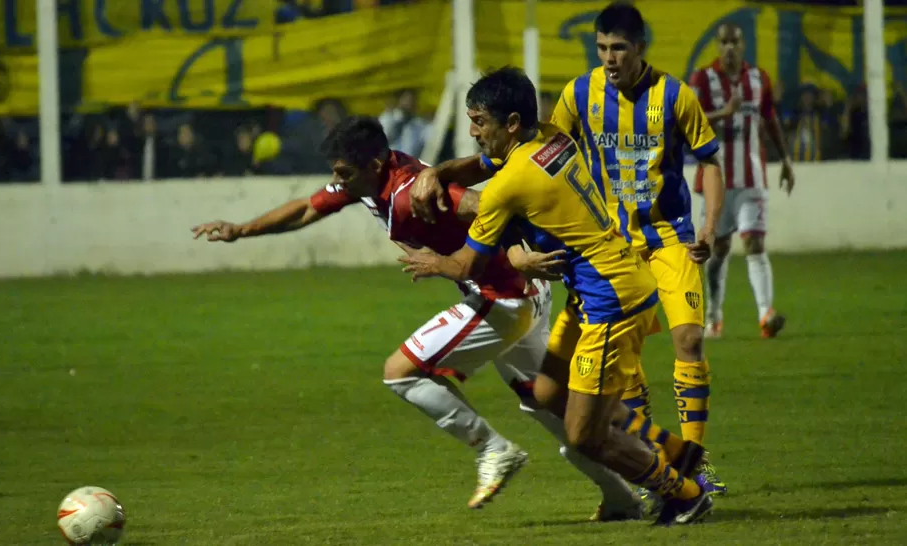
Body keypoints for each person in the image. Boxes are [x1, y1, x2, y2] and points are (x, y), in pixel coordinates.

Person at [190, 115, 645, 516]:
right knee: (552, 410)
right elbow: (308, 207)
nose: (338, 183)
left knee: (401, 372)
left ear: (373, 166)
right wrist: (240, 230)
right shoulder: (366, 180)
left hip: (501, 297)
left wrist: (519, 250)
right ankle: (629, 493)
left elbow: (483, 204)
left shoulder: (413, 190)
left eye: (344, 174)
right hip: (522, 295)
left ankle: (493, 449)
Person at [398, 66, 713, 526]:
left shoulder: (510, 184)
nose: (472, 131)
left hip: (611, 301)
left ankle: (682, 494)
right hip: (600, 284)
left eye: (479, 121)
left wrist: (432, 261)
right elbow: (484, 165)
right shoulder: (549, 136)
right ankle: (667, 446)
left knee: (583, 435)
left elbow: (467, 265)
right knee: (546, 391)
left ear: (509, 124)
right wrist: (442, 171)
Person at [545, 2, 728, 496]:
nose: (609, 57)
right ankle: (655, 466)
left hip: (670, 239)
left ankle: (695, 465)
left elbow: (710, 162)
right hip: (611, 250)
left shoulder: (674, 95)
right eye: (601, 47)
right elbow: (549, 156)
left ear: (639, 47)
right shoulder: (579, 94)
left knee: (689, 339)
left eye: (618, 48)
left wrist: (709, 227)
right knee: (625, 365)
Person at [688, 23, 795, 341]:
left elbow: (769, 118)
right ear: (718, 46)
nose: (729, 47)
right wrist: (724, 112)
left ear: (743, 44)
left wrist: (786, 160)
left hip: (752, 178)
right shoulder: (702, 79)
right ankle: (713, 317)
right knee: (717, 250)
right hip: (715, 179)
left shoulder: (758, 78)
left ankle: (765, 314)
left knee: (754, 244)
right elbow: (690, 120)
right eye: (724, 42)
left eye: (735, 41)